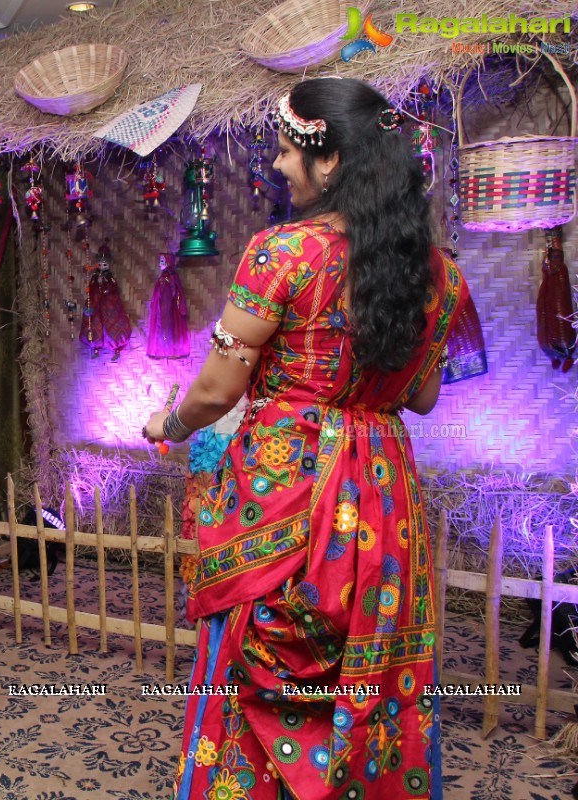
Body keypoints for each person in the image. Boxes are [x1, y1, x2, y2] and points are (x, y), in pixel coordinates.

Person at [142, 78, 468, 800]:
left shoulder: (281, 253)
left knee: (257, 664)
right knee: (373, 659)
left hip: (286, 494)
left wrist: (167, 427)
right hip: (382, 496)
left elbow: (218, 390)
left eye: (290, 152)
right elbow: (421, 396)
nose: (280, 166)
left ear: (332, 163)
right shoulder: (438, 273)